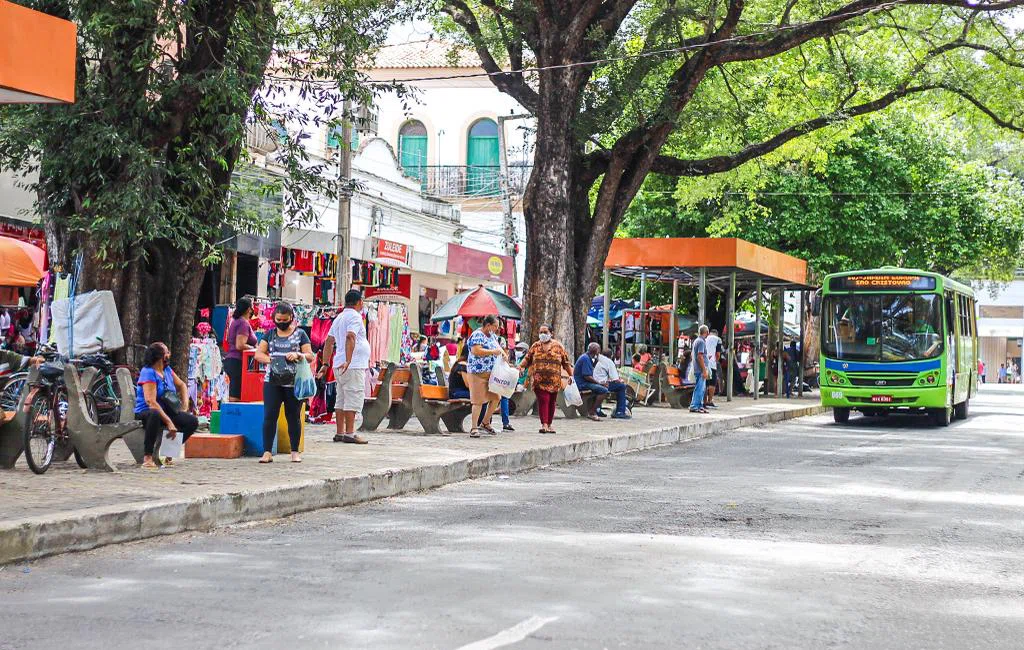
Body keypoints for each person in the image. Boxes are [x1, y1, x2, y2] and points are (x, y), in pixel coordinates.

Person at [254, 302, 315, 463]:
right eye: (278, 319)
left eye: (284, 319)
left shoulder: (300, 334)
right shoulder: (270, 334)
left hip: (293, 382)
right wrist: (271, 361)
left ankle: (294, 451)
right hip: (272, 380)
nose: (281, 322)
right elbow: (258, 354)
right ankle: (267, 451)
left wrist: (298, 355)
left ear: (291, 318)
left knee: (293, 416)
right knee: (269, 415)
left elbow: (310, 355)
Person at [134, 342, 198, 469]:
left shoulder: (167, 370)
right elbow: (151, 402)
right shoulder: (148, 372)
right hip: (147, 412)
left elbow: (182, 385)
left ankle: (168, 453)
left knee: (191, 421)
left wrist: (184, 406)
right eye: (166, 352)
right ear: (160, 356)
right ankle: (148, 457)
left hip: (166, 410)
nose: (169, 354)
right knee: (155, 414)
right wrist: (169, 422)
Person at [322, 289, 371, 445]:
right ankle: (350, 433)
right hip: (352, 365)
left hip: (339, 364)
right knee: (353, 396)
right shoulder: (355, 317)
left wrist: (325, 363)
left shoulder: (339, 318)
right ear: (359, 302)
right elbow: (351, 336)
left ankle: (340, 432)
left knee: (341, 398)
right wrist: (349, 360)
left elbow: (329, 341)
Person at [520, 324, 573, 434]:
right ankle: (544, 424)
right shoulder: (535, 346)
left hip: (554, 381)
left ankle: (549, 424)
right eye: (541, 332)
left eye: (545, 332)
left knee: (552, 402)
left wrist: (571, 375)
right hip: (539, 381)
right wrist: (520, 367)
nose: (542, 334)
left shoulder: (558, 347)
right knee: (544, 400)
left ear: (551, 333)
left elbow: (566, 363)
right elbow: (527, 359)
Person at [466, 315, 504, 437]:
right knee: (478, 401)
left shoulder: (492, 336)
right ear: (488, 325)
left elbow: (498, 348)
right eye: (495, 326)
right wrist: (493, 352)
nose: (497, 329)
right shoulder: (477, 334)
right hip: (477, 373)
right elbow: (476, 351)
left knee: (496, 397)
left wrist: (504, 356)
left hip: (490, 374)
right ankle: (473, 428)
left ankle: (485, 422)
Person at [224, 298, 257, 402]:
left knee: (235, 389)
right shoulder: (243, 323)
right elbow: (240, 345)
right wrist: (255, 348)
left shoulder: (236, 321)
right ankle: (234, 415)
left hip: (233, 360)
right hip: (237, 362)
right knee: (236, 392)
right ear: (249, 309)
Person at [574, 343, 609, 422]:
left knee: (602, 387)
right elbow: (587, 376)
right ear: (596, 351)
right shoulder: (585, 358)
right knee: (604, 391)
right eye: (598, 350)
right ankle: (592, 411)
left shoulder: (588, 358)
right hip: (582, 384)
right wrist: (599, 383)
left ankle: (594, 409)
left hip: (584, 382)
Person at [594, 348, 630, 419]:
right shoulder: (609, 362)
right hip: (602, 384)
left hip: (596, 382)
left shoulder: (599, 361)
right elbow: (615, 379)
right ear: (611, 355)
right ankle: (620, 411)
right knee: (621, 387)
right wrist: (621, 381)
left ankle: (598, 409)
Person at [689, 325, 710, 414]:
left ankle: (699, 406)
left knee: (701, 388)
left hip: (698, 368)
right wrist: (704, 370)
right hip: (700, 369)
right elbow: (700, 356)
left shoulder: (696, 341)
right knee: (700, 388)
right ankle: (695, 406)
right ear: (707, 333)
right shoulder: (701, 342)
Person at [704, 328, 722, 408]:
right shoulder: (718, 339)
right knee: (712, 382)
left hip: (704, 363)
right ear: (716, 334)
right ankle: (710, 400)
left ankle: (704, 401)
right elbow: (718, 354)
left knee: (705, 383)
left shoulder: (705, 338)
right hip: (712, 363)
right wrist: (716, 361)